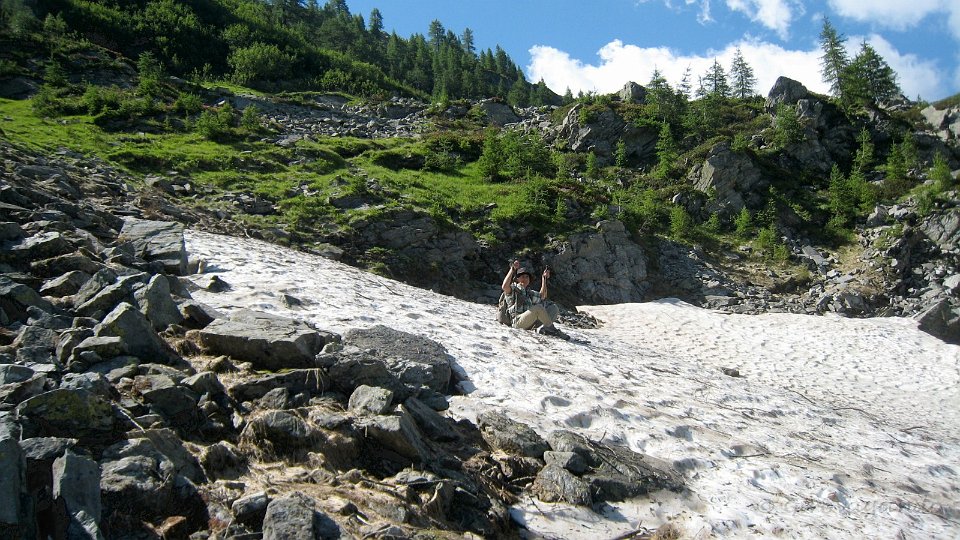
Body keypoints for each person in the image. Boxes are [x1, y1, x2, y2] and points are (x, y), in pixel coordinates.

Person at [501, 259, 568, 338]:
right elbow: (504, 286)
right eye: (522, 276)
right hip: (517, 322)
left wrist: (544, 279)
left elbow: (542, 296)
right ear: (517, 279)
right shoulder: (513, 289)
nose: (525, 279)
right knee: (538, 308)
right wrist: (512, 269)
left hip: (530, 322)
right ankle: (551, 329)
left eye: (527, 277)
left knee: (553, 308)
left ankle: (545, 328)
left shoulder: (529, 292)